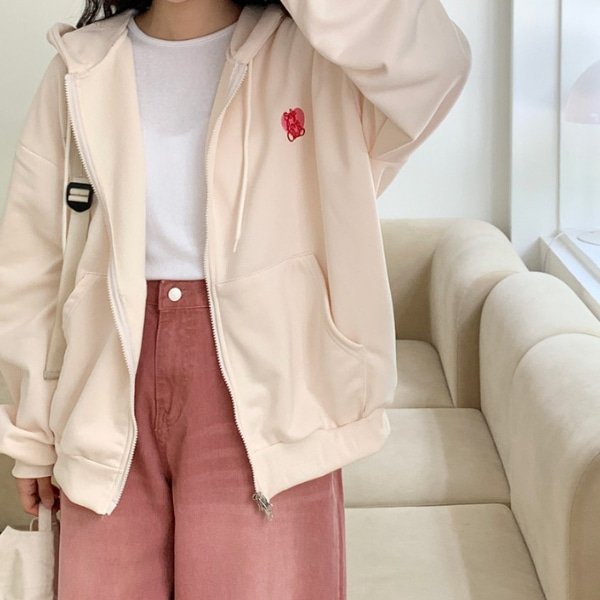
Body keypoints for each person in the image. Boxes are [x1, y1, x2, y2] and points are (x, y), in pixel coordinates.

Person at [0, 0, 471, 597]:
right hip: (102, 394)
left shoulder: (315, 62)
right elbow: (34, 265)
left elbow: (436, 62)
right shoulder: (80, 66)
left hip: (270, 399)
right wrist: (31, 435)